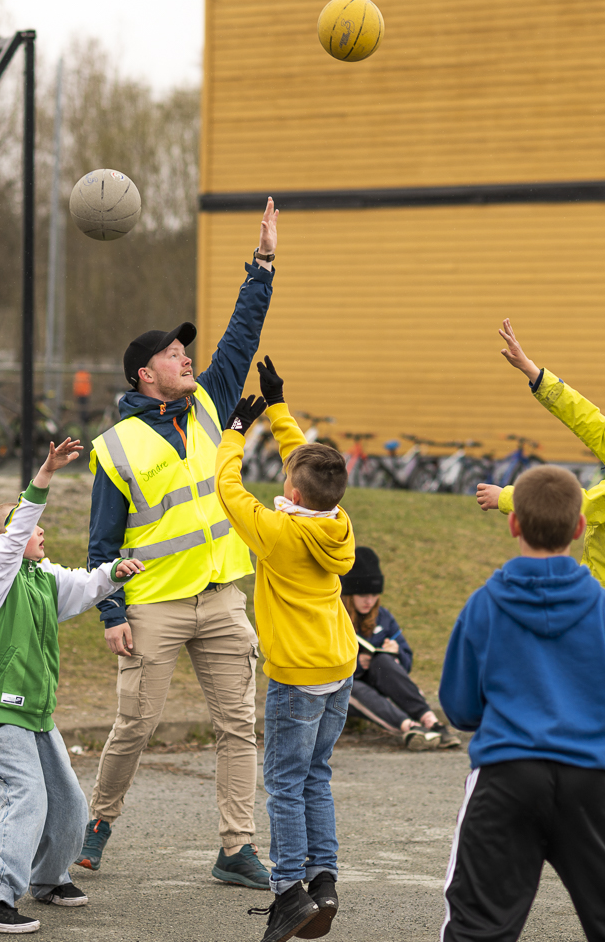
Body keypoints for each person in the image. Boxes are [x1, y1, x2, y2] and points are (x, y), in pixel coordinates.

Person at [78, 199, 279, 889]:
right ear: (144, 374)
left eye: (183, 349)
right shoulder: (115, 446)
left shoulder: (210, 401)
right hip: (154, 607)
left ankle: (235, 846)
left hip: (223, 599)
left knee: (239, 727)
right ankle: (97, 825)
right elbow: (101, 540)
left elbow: (239, 338)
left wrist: (263, 267)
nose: (185, 355)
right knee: (134, 727)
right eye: (171, 352)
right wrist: (111, 615)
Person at [0, 438, 145, 934]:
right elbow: (17, 532)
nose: (40, 532)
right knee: (25, 797)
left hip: (33, 711)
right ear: (8, 540)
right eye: (31, 528)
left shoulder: (41, 579)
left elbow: (83, 588)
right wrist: (44, 474)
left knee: (67, 801)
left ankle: (47, 878)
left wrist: (112, 574)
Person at [439, 464, 605, 941]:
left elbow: (459, 707)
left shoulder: (485, 603)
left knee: (478, 925)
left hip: (507, 774)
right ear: (581, 527)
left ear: (513, 522)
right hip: (590, 781)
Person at [215, 357, 356, 942]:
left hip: (297, 676)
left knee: (284, 782)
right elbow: (310, 466)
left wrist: (233, 432)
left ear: (292, 492)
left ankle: (289, 892)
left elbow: (227, 489)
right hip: (339, 666)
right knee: (316, 775)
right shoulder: (336, 521)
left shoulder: (276, 532)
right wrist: (278, 409)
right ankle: (324, 880)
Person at [476, 317, 605, 813]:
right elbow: (590, 421)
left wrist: (507, 498)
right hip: (601, 608)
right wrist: (534, 372)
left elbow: (577, 504)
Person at [341, 547, 460, 750]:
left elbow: (407, 661)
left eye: (374, 594)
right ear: (349, 594)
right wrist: (358, 665)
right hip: (343, 687)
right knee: (350, 685)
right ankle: (410, 728)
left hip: (378, 680)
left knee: (384, 662)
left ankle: (431, 721)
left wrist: (397, 654)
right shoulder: (336, 617)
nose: (369, 601)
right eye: (362, 595)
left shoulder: (383, 617)